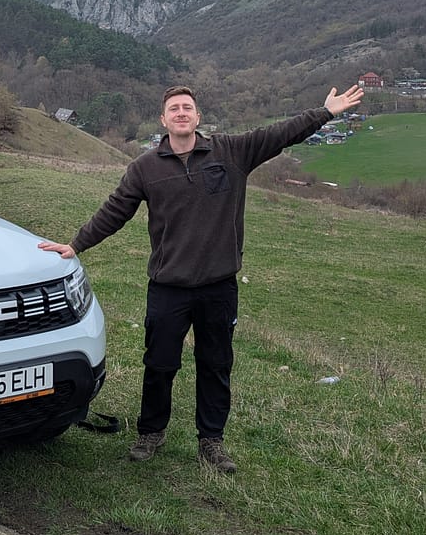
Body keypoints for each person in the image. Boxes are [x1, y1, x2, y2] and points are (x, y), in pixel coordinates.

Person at [38, 82, 364, 474]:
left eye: (187, 107)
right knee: (159, 364)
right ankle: (151, 431)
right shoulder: (145, 168)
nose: (181, 113)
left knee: (215, 365)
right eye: (174, 108)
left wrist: (325, 113)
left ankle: (211, 440)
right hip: (168, 287)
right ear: (163, 120)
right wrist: (77, 244)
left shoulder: (232, 152)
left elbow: (281, 133)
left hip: (218, 287)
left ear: (198, 117)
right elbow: (115, 210)